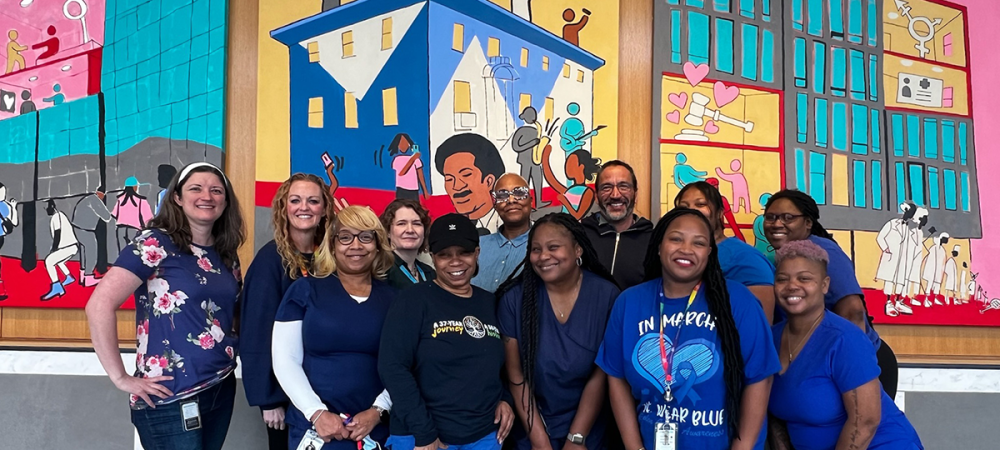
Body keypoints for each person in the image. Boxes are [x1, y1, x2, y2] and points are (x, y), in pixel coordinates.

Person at [85, 162, 246, 450]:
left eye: (216, 190)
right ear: (177, 197)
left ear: (225, 201)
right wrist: (120, 377)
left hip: (220, 385)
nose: (206, 196)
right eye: (195, 188)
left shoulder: (226, 254)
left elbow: (233, 314)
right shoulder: (155, 243)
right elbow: (99, 304)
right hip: (169, 394)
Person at [597, 208, 780, 450]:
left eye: (699, 242)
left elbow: (760, 379)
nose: (686, 249)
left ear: (709, 253)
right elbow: (616, 376)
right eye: (676, 238)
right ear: (659, 246)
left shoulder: (738, 301)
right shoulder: (629, 302)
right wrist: (635, 447)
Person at [767, 240, 923, 450]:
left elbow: (866, 422)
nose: (792, 286)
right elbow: (776, 415)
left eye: (804, 278)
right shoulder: (772, 338)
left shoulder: (844, 339)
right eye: (782, 279)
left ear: (825, 285)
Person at [379, 213, 515, 450]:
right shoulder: (413, 300)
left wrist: (505, 398)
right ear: (433, 257)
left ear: (477, 253)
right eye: (444, 255)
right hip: (422, 438)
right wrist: (424, 434)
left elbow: (499, 365)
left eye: (463, 252)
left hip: (483, 436)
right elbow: (392, 367)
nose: (455, 262)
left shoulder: (490, 302)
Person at [273, 205, 396, 449]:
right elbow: (284, 359)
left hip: (373, 430)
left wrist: (378, 410)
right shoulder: (304, 291)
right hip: (316, 428)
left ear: (378, 244)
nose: (356, 245)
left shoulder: (396, 300)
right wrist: (316, 413)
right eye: (345, 237)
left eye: (365, 237)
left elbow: (405, 363)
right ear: (332, 244)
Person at [497, 213, 620, 450]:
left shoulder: (607, 296)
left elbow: (602, 373)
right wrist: (539, 441)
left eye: (553, 247)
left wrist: (577, 437)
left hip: (589, 429)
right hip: (532, 425)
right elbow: (516, 376)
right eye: (536, 249)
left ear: (577, 250)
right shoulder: (514, 300)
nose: (543, 256)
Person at [763, 189, 899, 399]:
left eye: (788, 217)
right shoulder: (786, 258)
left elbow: (852, 311)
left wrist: (852, 366)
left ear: (808, 223)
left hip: (859, 363)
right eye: (770, 217)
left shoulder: (823, 251)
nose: (777, 223)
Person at [241, 173, 334, 449]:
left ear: (324, 208)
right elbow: (255, 333)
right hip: (285, 394)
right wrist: (268, 400)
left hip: (325, 386)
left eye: (313, 201)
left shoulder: (330, 258)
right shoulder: (270, 261)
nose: (304, 207)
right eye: (295, 200)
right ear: (284, 207)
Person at [675, 182, 776, 322]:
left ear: (720, 213)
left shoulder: (747, 259)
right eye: (684, 207)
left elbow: (760, 324)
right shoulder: (677, 255)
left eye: (700, 204)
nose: (691, 211)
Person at [581, 161, 653, 290]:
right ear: (596, 196)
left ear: (635, 195)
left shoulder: (653, 240)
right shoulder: (579, 236)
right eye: (606, 187)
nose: (615, 195)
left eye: (623, 186)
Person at [435, 133, 507, 234]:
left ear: (489, 181)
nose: (456, 186)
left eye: (466, 174)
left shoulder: (510, 225)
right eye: (449, 179)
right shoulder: (447, 230)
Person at [472, 174, 532, 293]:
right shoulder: (477, 246)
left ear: (531, 200)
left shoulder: (543, 247)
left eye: (519, 193)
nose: (511, 200)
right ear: (495, 205)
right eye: (502, 195)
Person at [380, 198, 436, 290]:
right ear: (388, 232)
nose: (410, 230)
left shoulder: (430, 273)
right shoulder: (381, 273)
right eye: (401, 223)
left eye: (416, 224)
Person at [540, 144, 600, 221]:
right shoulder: (570, 190)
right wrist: (545, 159)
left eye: (571, 163)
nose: (566, 167)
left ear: (581, 167)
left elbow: (577, 216)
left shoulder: (588, 192)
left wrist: (565, 202)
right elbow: (552, 180)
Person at [72, 186, 113, 286]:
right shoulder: (95, 199)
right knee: (91, 252)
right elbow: (106, 216)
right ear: (101, 194)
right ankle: (89, 277)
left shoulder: (87, 199)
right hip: (86, 229)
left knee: (83, 252)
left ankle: (82, 276)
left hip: (77, 228)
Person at [42, 200, 80, 300]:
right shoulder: (60, 215)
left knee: (49, 261)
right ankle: (69, 277)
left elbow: (57, 233)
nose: (46, 210)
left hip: (68, 247)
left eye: (47, 208)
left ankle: (57, 287)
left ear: (52, 206)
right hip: (71, 247)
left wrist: (53, 249)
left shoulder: (56, 216)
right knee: (59, 261)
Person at [512, 106, 549, 209]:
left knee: (538, 180)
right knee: (525, 182)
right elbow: (516, 147)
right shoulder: (520, 131)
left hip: (535, 160)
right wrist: (532, 143)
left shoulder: (536, 131)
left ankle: (539, 201)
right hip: (525, 161)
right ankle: (523, 203)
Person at [112, 176, 154, 252]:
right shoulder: (141, 200)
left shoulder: (120, 199)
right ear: (135, 187)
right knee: (135, 253)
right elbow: (148, 218)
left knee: (122, 253)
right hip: (134, 230)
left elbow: (114, 214)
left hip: (120, 229)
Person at [389, 133, 430, 200]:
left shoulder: (416, 159)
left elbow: (420, 175)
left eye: (405, 143)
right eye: (401, 143)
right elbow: (401, 173)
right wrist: (413, 158)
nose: (403, 146)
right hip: (401, 189)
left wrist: (425, 190)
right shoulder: (397, 159)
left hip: (414, 190)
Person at [0, 182, 18, 300]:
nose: (3, 195)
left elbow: (14, 223)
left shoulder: (5, 206)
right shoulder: (6, 206)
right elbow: (15, 222)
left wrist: (13, 208)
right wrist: (13, 208)